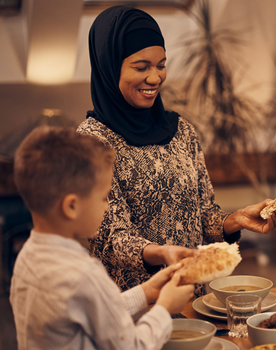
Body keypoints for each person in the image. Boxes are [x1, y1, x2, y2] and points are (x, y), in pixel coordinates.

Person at [77, 6, 276, 296]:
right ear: (109, 67)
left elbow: (202, 216)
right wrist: (162, 253)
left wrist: (234, 220)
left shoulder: (181, 131)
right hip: (131, 307)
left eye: (161, 65)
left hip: (190, 298)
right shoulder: (92, 142)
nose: (155, 78)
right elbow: (110, 238)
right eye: (141, 67)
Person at [10, 126, 195, 350]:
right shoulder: (83, 274)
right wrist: (164, 308)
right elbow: (133, 346)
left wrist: (146, 292)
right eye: (104, 197)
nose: (107, 206)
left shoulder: (27, 258)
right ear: (71, 206)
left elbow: (93, 311)